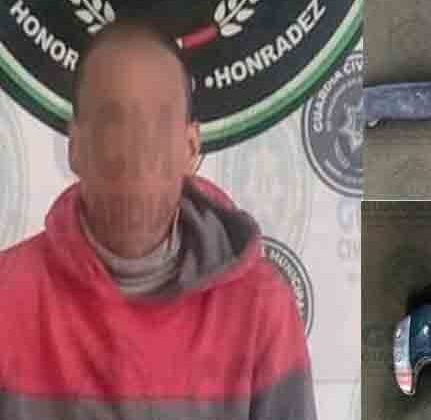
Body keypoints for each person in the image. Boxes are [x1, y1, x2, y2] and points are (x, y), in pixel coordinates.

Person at [0, 17, 316, 420]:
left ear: (191, 147)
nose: (138, 145)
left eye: (160, 120)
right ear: (75, 147)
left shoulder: (261, 307)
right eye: (112, 119)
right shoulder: (7, 298)